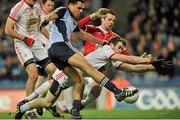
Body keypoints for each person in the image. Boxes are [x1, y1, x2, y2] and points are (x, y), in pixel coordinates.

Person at [15, 0, 138, 119]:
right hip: (60, 46)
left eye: (82, 9)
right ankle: (117, 91)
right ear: (70, 5)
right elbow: (52, 15)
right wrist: (46, 19)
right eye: (78, 8)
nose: (80, 11)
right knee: (88, 67)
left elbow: (84, 35)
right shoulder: (63, 10)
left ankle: (24, 107)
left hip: (54, 53)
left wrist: (103, 42)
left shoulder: (73, 22)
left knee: (77, 82)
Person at [14, 36, 172, 119]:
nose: (121, 50)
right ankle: (26, 105)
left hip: (76, 77)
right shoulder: (105, 50)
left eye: (122, 49)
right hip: (67, 73)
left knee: (50, 99)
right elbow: (129, 59)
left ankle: (24, 107)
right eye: (119, 47)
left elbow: (133, 68)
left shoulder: (111, 59)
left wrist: (154, 66)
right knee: (49, 96)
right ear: (111, 44)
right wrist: (151, 60)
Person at [4, 0, 58, 118]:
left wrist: (52, 41)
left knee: (55, 73)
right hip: (22, 44)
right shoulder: (18, 8)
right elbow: (7, 30)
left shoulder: (37, 9)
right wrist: (24, 38)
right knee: (34, 74)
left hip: (36, 43)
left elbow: (40, 28)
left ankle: (43, 101)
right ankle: (27, 109)